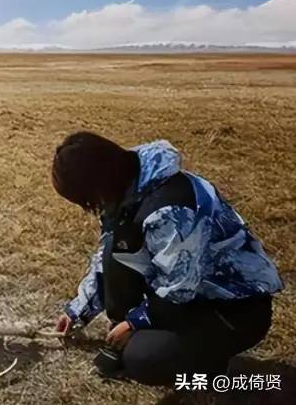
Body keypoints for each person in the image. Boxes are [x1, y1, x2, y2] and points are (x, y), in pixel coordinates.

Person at [51, 131, 283, 385]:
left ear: (99, 182)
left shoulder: (172, 209)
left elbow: (179, 289)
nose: (90, 206)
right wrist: (77, 312)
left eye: (87, 198)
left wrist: (135, 323)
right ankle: (154, 341)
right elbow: (110, 254)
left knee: (144, 359)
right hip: (188, 297)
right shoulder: (128, 186)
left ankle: (215, 369)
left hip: (232, 309)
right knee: (115, 253)